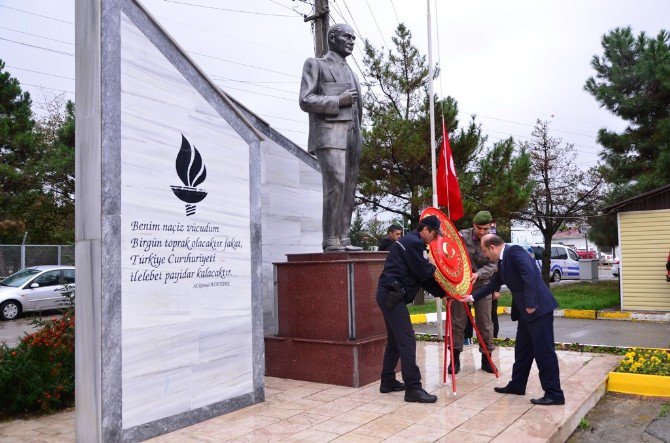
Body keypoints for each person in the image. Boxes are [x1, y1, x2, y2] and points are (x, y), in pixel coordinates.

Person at [464, 234, 565, 406]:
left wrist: (531, 303)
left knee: (544, 352)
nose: (485, 255)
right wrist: (471, 297)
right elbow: (492, 285)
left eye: (485, 251)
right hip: (526, 313)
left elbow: (530, 275)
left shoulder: (515, 252)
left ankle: (554, 393)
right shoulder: (503, 261)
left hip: (538, 309)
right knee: (523, 350)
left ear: (492, 247)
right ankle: (517, 385)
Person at [299, 23, 363, 252]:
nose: (352, 41)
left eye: (354, 38)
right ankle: (330, 241)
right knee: (336, 183)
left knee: (349, 187)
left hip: (352, 137)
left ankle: (344, 238)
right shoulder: (316, 64)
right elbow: (305, 100)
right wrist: (338, 101)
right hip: (328, 134)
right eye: (348, 37)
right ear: (333, 38)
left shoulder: (352, 73)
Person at [376, 215, 446, 403]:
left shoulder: (413, 243)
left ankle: (388, 380)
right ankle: (413, 388)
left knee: (395, 340)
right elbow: (424, 272)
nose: (435, 238)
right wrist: (432, 264)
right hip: (392, 296)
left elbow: (421, 277)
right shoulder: (414, 243)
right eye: (434, 234)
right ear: (425, 229)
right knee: (407, 341)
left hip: (389, 295)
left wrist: (444, 294)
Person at [447, 210, 497, 374]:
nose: (483, 232)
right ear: (473, 225)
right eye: (479, 228)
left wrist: (478, 274)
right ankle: (455, 359)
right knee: (458, 322)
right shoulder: (461, 237)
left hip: (483, 285)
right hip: (461, 285)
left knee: (485, 323)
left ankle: (487, 359)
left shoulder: (493, 240)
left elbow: (493, 265)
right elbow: (451, 257)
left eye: (486, 229)